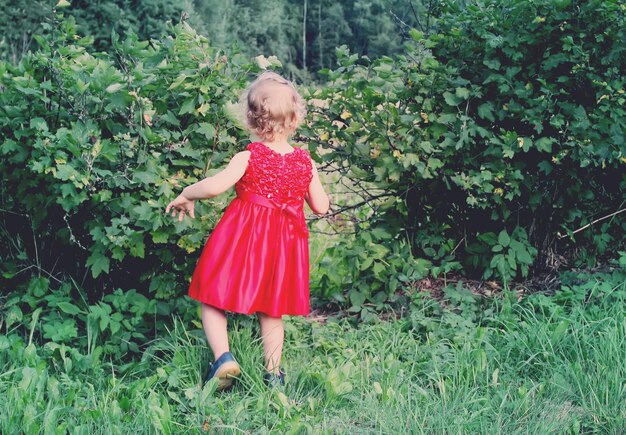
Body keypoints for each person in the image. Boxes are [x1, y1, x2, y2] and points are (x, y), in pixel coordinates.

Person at [165, 71, 330, 390]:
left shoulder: (248, 156)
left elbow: (215, 187)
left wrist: (187, 192)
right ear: (295, 119)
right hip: (284, 244)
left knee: (212, 294)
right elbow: (321, 207)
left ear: (252, 119)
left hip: (244, 237)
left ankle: (223, 358)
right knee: (272, 309)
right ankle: (274, 375)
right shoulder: (305, 163)